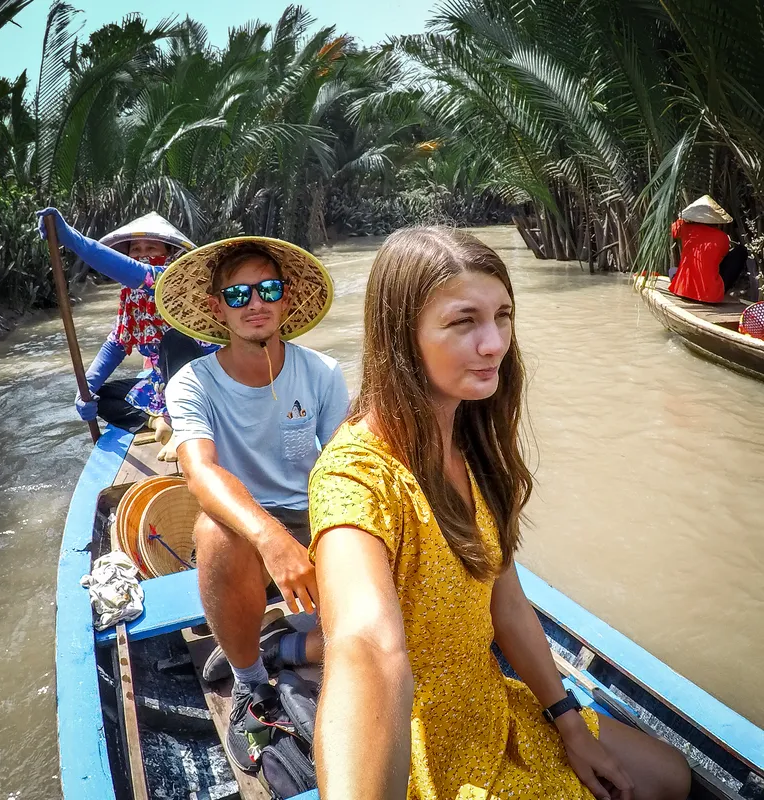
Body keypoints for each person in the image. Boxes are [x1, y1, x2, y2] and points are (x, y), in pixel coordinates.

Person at [308, 227, 691, 800]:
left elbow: (506, 601)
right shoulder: (354, 476)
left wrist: (567, 721)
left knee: (670, 777)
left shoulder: (474, 441)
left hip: (488, 699)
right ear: (401, 337)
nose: (494, 343)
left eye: (503, 316)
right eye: (464, 322)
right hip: (420, 740)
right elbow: (366, 647)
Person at [156, 235, 348, 772]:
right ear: (217, 308)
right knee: (216, 530)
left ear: (285, 300)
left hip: (310, 516)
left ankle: (277, 648)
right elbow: (199, 470)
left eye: (267, 289)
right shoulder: (194, 381)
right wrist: (269, 537)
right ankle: (249, 679)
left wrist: (335, 540)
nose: (255, 303)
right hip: (239, 530)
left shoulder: (323, 373)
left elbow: (341, 467)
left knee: (393, 626)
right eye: (238, 295)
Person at [36, 208, 216, 458]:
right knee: (102, 397)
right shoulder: (131, 294)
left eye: (151, 248)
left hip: (204, 382)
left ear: (169, 253)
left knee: (175, 341)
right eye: (136, 250)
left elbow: (136, 273)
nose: (143, 255)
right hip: (162, 384)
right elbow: (118, 344)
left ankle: (186, 428)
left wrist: (72, 238)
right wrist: (85, 390)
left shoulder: (175, 281)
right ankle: (157, 421)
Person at [669, 195, 748, 303]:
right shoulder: (722, 237)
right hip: (710, 296)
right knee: (741, 252)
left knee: (672, 270)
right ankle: (722, 290)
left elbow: (673, 230)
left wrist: (685, 218)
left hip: (682, 290)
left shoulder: (686, 228)